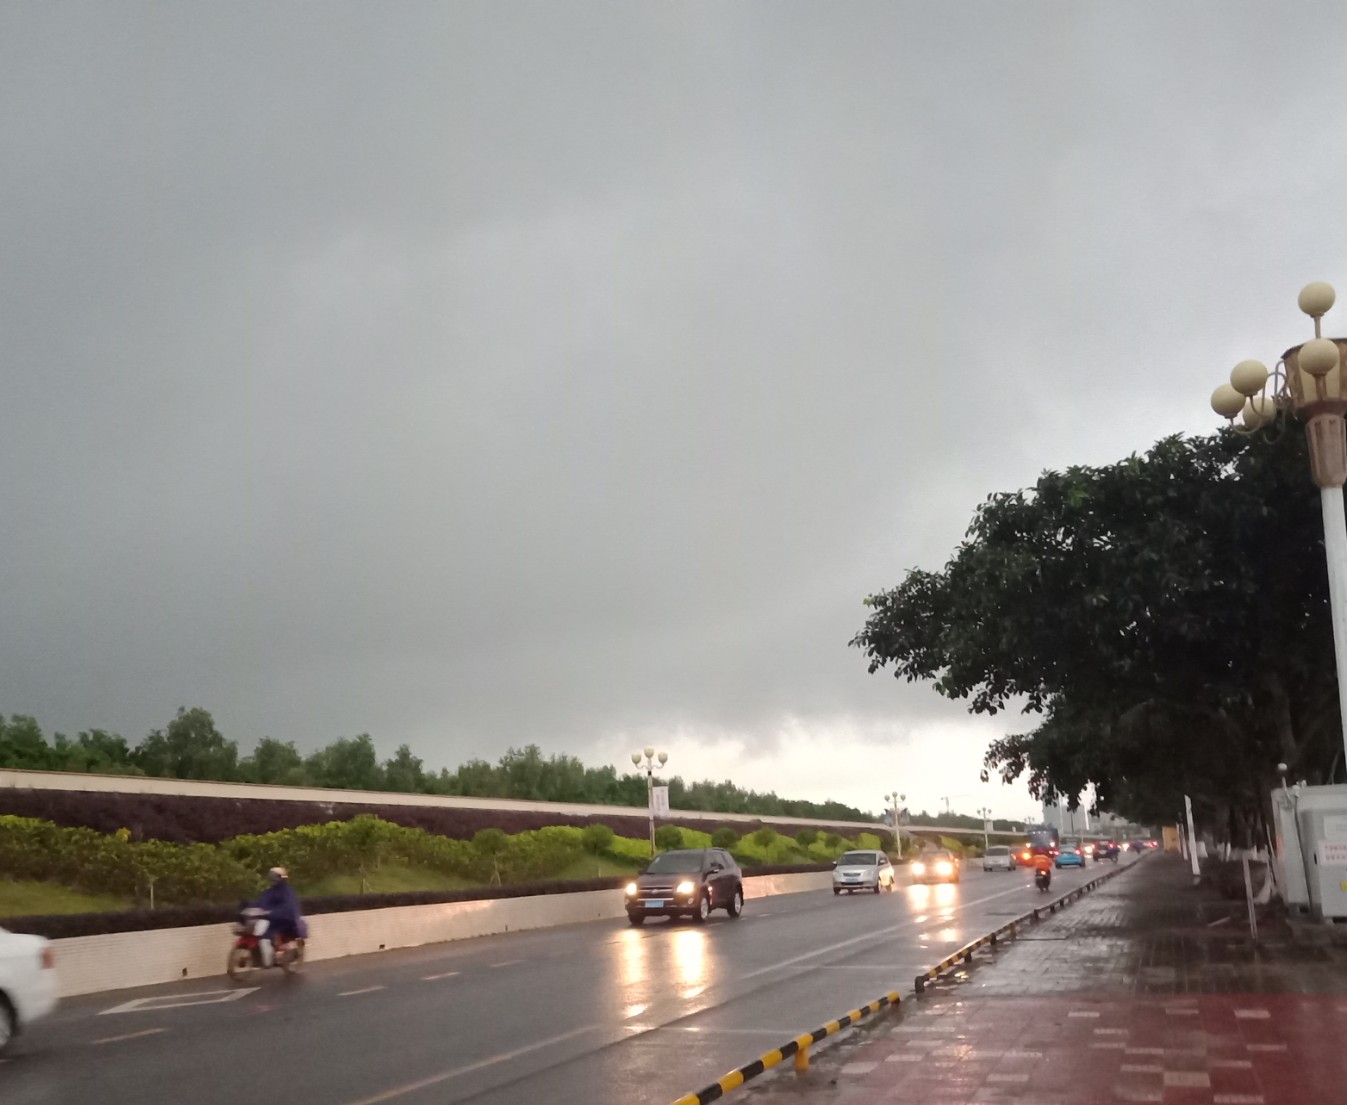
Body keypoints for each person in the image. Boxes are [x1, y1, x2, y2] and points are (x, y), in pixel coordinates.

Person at [254, 867, 307, 967]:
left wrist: (274, 912)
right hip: (274, 918)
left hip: (286, 919)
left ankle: (280, 953)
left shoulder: (287, 891)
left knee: (273, 933)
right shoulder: (271, 891)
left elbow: (289, 907)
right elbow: (262, 902)